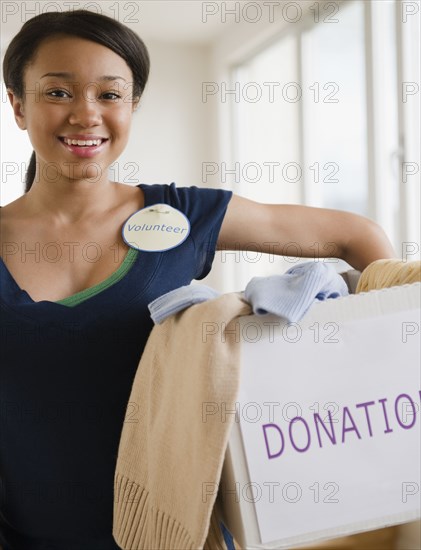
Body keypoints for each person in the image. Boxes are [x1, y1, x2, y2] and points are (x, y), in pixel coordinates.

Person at [0, 9, 396, 550]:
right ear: (18, 106)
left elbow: (357, 235)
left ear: (133, 106)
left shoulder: (183, 214)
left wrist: (386, 357)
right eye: (58, 93)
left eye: (110, 95)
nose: (86, 114)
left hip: (178, 537)